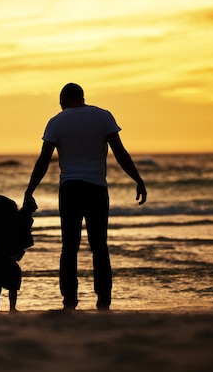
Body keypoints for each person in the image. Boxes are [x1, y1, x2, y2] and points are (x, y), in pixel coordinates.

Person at [24, 82, 147, 311]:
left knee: (69, 247)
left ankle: (69, 301)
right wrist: (137, 179)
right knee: (99, 245)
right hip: (96, 188)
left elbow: (43, 161)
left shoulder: (56, 121)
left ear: (64, 98)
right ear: (82, 97)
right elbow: (120, 152)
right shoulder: (103, 116)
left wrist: (29, 190)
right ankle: (104, 301)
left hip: (70, 188)